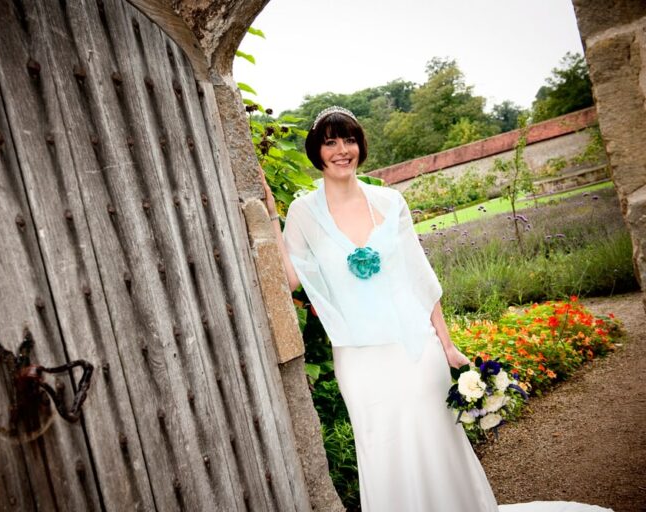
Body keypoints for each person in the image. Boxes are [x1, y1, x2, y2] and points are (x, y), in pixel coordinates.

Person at [259, 106, 613, 512]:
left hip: (416, 349)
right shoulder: (304, 212)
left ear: (361, 146)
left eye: (350, 139)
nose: (343, 150)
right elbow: (289, 279)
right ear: (316, 152)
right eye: (331, 142)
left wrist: (446, 346)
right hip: (359, 359)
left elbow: (420, 279)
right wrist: (270, 215)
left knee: (436, 442)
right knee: (382, 448)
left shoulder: (390, 202)